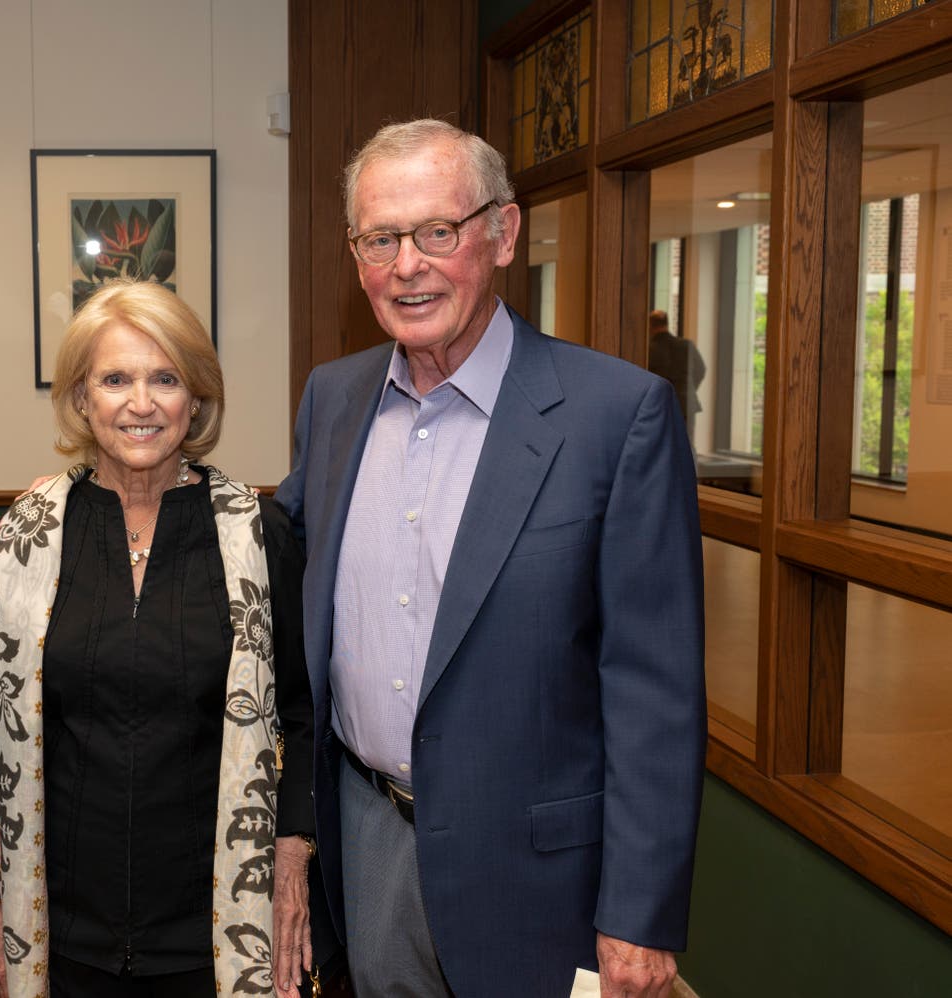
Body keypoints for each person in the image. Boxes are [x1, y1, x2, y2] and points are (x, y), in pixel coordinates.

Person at [274, 120, 706, 998]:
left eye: (438, 231)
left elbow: (655, 691)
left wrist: (639, 914)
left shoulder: (616, 417)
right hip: (367, 842)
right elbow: (277, 583)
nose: (408, 265)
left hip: (539, 877)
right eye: (380, 239)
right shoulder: (333, 399)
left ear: (502, 234)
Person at [0, 278, 314, 998]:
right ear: (80, 399)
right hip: (60, 933)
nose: (140, 402)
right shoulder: (21, 538)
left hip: (214, 933)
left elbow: (303, 717)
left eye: (165, 378)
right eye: (115, 379)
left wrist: (290, 865)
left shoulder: (259, 534)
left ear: (195, 398)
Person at [647, 308, 707, 436]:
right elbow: (701, 369)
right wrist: (688, 388)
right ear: (666, 324)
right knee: (687, 445)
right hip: (686, 402)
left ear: (650, 325)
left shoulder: (649, 349)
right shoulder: (686, 345)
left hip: (661, 404)